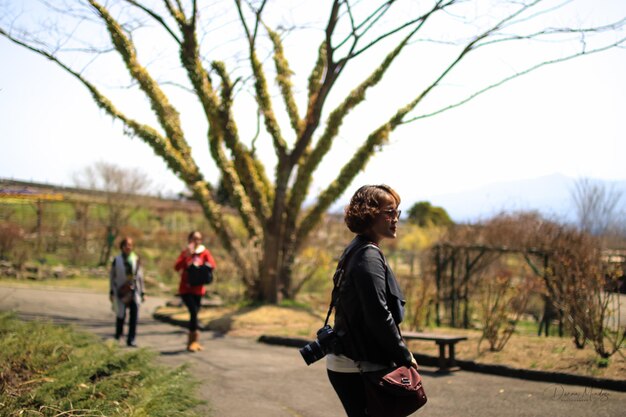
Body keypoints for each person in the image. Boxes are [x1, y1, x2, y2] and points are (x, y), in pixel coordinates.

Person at [326, 184, 417, 417]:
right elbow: (378, 313)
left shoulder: (358, 249)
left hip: (349, 359)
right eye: (389, 212)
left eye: (397, 212)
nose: (395, 218)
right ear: (368, 212)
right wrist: (404, 356)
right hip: (358, 364)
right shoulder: (368, 255)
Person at [175, 230, 217, 352]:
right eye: (194, 238)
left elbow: (213, 265)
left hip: (198, 289)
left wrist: (202, 266)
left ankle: (194, 341)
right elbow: (176, 267)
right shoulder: (185, 253)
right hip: (185, 289)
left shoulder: (204, 253)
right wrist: (186, 257)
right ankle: (192, 341)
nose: (196, 241)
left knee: (195, 314)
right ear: (189, 240)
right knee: (193, 312)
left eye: (198, 239)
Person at [109, 237, 145, 347]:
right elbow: (112, 276)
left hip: (134, 291)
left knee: (134, 315)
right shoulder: (117, 260)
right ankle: (118, 335)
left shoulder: (135, 259)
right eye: (126, 245)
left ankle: (131, 339)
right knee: (121, 314)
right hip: (121, 291)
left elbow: (140, 276)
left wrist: (143, 292)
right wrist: (111, 291)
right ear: (122, 247)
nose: (128, 247)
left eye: (130, 245)